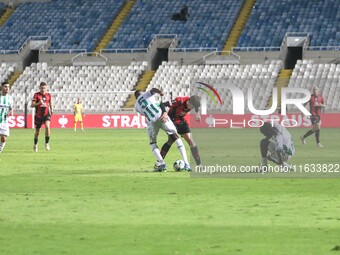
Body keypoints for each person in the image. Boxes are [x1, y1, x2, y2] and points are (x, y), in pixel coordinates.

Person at [134, 88, 191, 172]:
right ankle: (186, 163)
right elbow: (153, 89)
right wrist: (159, 92)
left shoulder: (136, 107)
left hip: (151, 121)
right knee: (176, 137)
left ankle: (162, 164)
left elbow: (144, 113)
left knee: (153, 143)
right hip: (161, 115)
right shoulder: (146, 94)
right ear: (142, 92)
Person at [160, 95, 202, 167]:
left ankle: (199, 165)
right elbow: (162, 104)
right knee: (170, 141)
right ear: (188, 101)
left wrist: (197, 114)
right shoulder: (179, 101)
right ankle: (159, 163)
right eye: (191, 106)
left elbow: (196, 107)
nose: (191, 108)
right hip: (171, 121)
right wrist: (164, 113)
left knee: (191, 141)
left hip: (181, 120)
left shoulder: (193, 103)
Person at [31, 82, 53, 152]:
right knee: (38, 132)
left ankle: (47, 143)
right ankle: (35, 144)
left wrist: (52, 109)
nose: (43, 89)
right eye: (42, 88)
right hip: (38, 116)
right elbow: (32, 105)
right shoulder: (36, 95)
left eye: (44, 88)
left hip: (46, 114)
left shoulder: (48, 95)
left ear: (46, 88)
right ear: (40, 88)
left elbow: (50, 102)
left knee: (47, 127)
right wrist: (39, 103)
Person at [0, 82, 13, 154]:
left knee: (4, 138)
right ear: (2, 87)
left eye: (8, 87)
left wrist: (10, 112)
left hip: (4, 121)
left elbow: (10, 108)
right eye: (5, 86)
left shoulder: (10, 98)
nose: (7, 88)